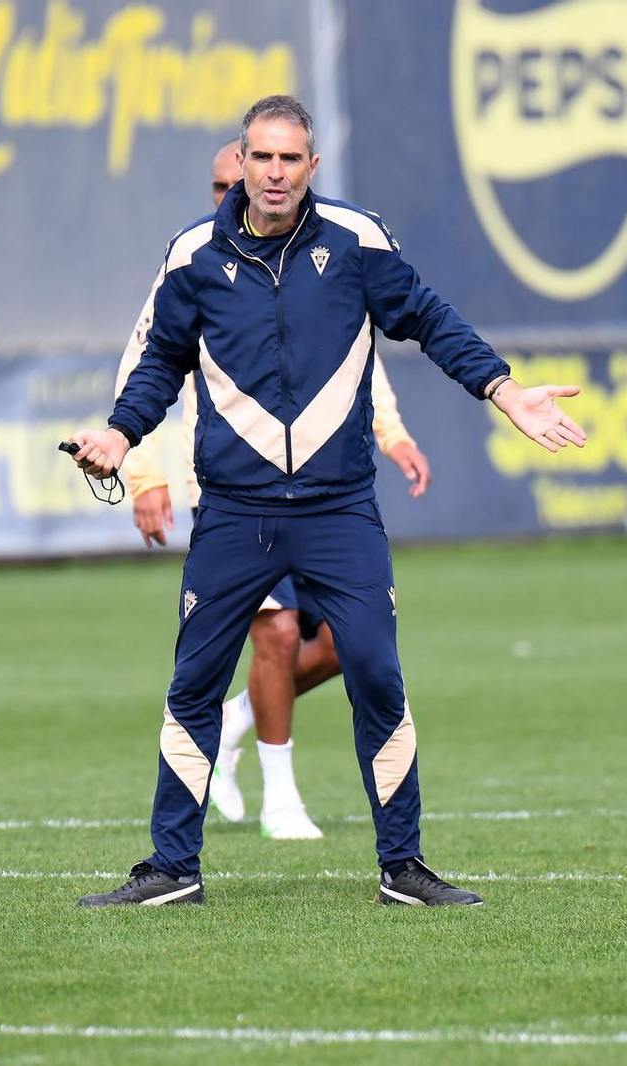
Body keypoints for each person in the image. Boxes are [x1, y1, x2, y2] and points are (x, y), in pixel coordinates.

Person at [69, 95, 585, 908]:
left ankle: (403, 867)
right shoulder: (194, 254)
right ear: (241, 162)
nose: (275, 173)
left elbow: (429, 319)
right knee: (194, 683)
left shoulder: (356, 241)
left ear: (312, 166)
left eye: (290, 159)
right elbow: (161, 360)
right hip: (234, 513)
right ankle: (171, 868)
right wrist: (122, 435)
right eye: (261, 157)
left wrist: (505, 389)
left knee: (376, 672)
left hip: (339, 509)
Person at [117, 139, 434, 841]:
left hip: (325, 496)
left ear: (305, 171)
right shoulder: (196, 260)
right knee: (277, 632)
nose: (244, 187)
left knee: (345, 651)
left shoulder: (331, 254)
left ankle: (239, 721)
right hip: (233, 492)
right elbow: (146, 363)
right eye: (223, 181)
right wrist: (143, 472)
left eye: (275, 165)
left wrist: (394, 436)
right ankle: (278, 799)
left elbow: (352, 361)